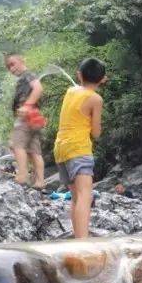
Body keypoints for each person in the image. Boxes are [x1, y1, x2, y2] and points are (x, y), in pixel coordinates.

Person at [53, 58, 107, 239]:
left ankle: (78, 237)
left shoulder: (70, 91)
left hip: (61, 149)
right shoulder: (95, 99)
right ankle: (82, 243)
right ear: (102, 79)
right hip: (78, 149)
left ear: (79, 75)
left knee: (75, 197)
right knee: (86, 196)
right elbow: (97, 132)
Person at [5, 54, 46, 189]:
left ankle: (22, 176)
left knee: (17, 145)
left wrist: (27, 105)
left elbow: (38, 88)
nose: (11, 69)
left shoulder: (27, 75)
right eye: (8, 67)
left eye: (13, 64)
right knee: (34, 151)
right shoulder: (25, 77)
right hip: (34, 117)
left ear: (22, 60)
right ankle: (40, 181)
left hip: (26, 117)